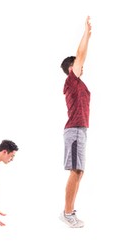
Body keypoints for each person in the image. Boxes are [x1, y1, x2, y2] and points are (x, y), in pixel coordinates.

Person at [59, 16, 92, 228]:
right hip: (74, 130)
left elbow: (80, 58)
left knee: (80, 171)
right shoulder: (71, 80)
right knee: (75, 171)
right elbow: (80, 55)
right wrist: (86, 34)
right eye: (78, 65)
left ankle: (69, 211)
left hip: (81, 130)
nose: (82, 66)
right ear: (72, 68)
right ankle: (67, 213)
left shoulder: (78, 83)